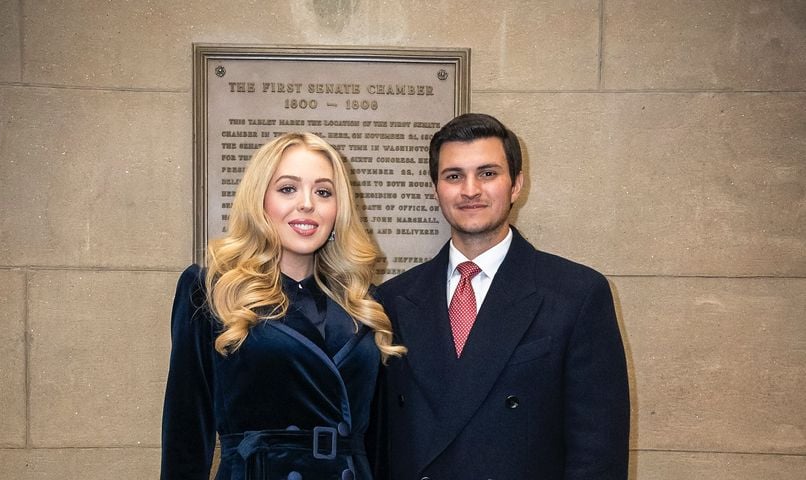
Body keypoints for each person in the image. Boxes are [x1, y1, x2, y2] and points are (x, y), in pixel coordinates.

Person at [373, 113, 630, 479]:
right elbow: (379, 446)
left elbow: (598, 455)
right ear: (436, 189)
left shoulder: (577, 295)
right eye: (454, 176)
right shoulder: (392, 299)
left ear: (516, 185)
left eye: (488, 173)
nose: (470, 190)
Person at [161, 132, 405, 480]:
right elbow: (185, 436)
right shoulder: (212, 289)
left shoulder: (364, 302)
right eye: (288, 188)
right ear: (259, 200)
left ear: (338, 210)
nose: (307, 204)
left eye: (323, 192)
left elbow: (379, 443)